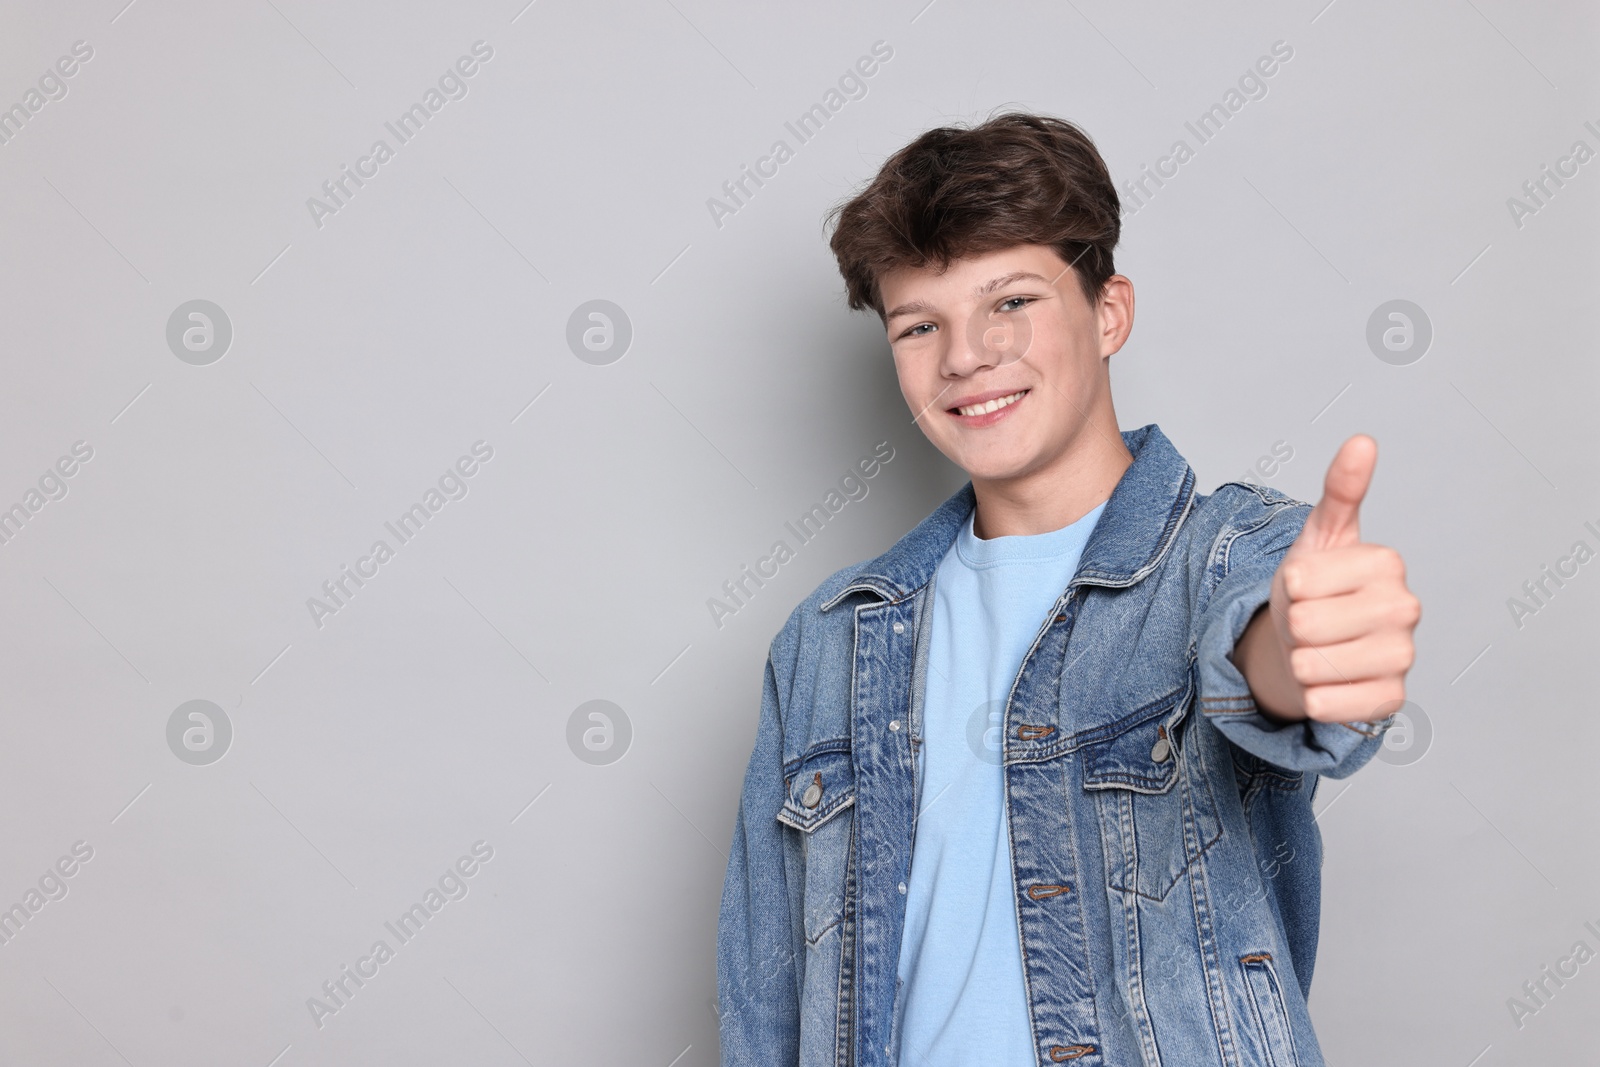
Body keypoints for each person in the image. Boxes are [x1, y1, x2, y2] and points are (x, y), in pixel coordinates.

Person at [716, 111, 1420, 1067]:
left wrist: (1301, 657)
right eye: (921, 325)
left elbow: (1265, 655)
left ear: (1109, 311)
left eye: (1011, 302)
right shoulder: (826, 639)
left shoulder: (1228, 555)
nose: (964, 355)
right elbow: (766, 1006)